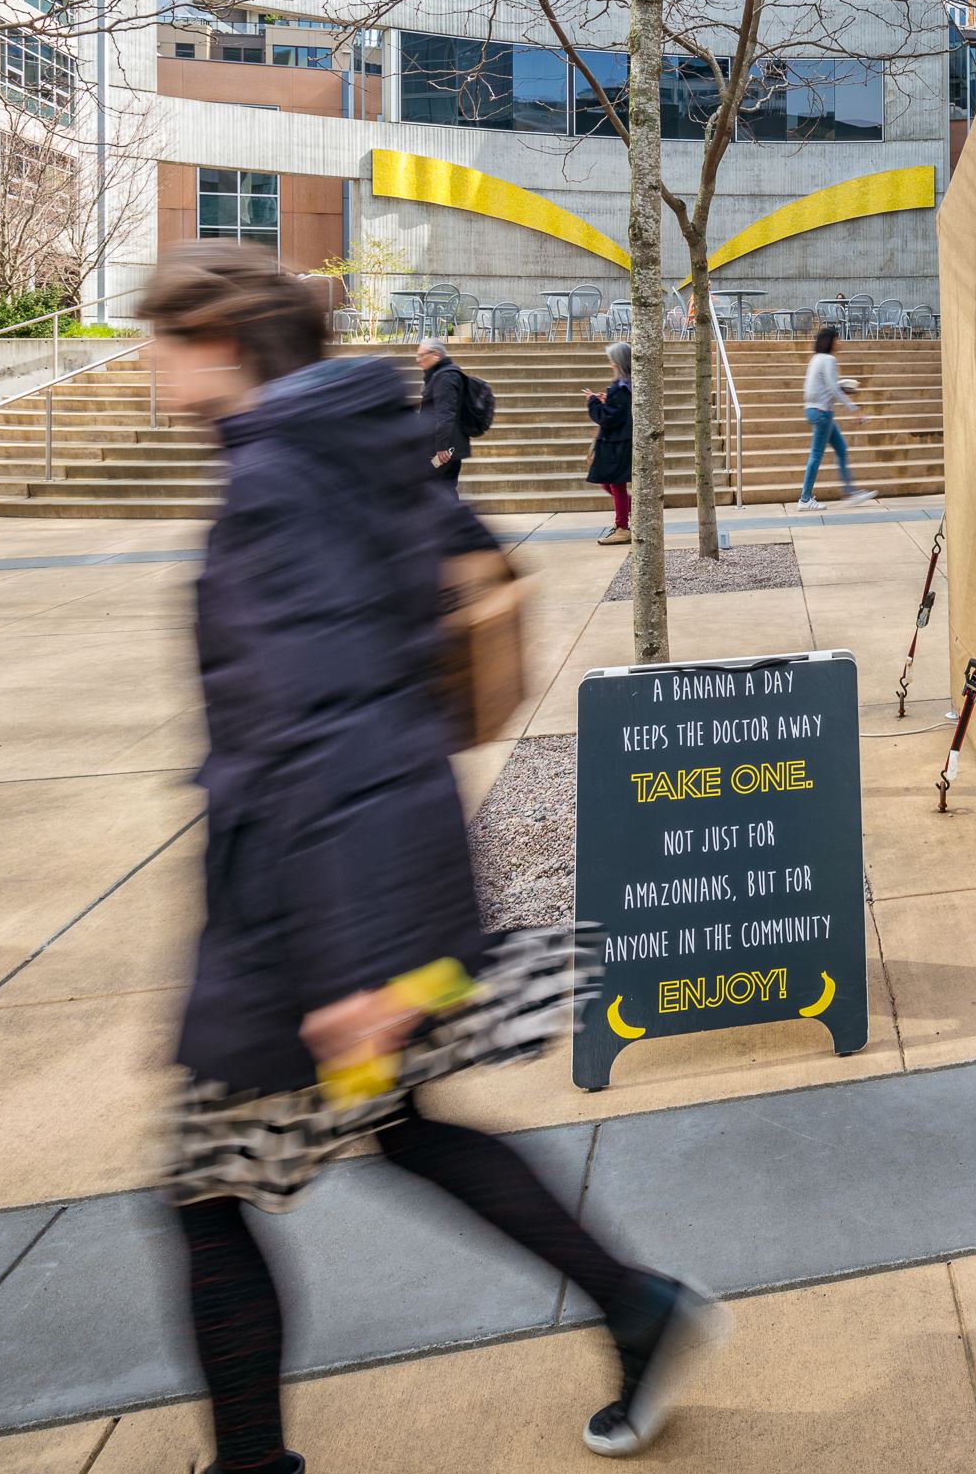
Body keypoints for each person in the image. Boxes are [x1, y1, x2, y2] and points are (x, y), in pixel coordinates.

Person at [146, 244, 721, 1467]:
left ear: (221, 348)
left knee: (202, 1191)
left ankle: (251, 1459)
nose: (149, 362)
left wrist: (354, 969)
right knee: (401, 1123)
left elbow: (320, 719)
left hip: (311, 922)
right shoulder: (368, 451)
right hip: (391, 879)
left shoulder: (275, 487)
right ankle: (637, 1304)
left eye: (163, 337)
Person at [795, 325, 875, 511]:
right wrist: (854, 409)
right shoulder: (829, 359)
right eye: (838, 338)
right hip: (822, 413)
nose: (840, 342)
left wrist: (841, 388)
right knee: (816, 455)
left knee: (841, 448)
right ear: (830, 341)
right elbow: (831, 388)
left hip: (816, 410)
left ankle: (850, 492)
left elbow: (821, 386)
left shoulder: (816, 358)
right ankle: (805, 498)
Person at [587, 340, 634, 547]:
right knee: (610, 483)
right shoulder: (624, 388)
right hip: (617, 441)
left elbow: (608, 418)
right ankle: (632, 513)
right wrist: (606, 401)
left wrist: (593, 402)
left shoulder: (621, 388)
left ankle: (622, 526)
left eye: (612, 361)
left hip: (616, 443)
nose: (610, 364)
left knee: (615, 484)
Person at [417, 338, 473, 489]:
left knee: (442, 491)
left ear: (435, 354)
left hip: (444, 450)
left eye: (422, 355)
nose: (418, 360)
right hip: (445, 446)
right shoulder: (443, 374)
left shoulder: (445, 378)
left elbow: (445, 414)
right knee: (442, 491)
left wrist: (441, 447)